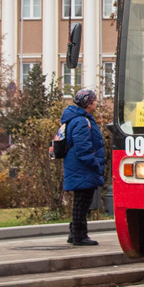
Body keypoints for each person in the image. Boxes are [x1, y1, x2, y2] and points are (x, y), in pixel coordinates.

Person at [59, 89, 106, 246]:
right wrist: (95, 163)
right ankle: (79, 236)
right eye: (94, 100)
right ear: (89, 103)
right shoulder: (81, 121)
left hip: (78, 167)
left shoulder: (79, 119)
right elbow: (83, 148)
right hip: (82, 168)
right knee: (82, 203)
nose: (96, 103)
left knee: (81, 202)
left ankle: (74, 233)